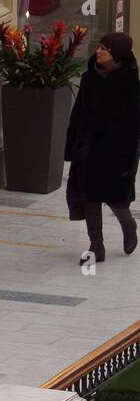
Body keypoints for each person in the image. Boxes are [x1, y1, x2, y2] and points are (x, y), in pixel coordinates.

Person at [66, 32, 140, 264]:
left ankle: (129, 227)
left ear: (116, 55)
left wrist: (129, 157)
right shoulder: (90, 78)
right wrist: (71, 145)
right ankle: (96, 245)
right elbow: (78, 113)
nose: (98, 51)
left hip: (117, 152)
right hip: (88, 147)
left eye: (104, 49)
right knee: (89, 197)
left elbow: (135, 124)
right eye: (99, 47)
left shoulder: (130, 83)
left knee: (117, 200)